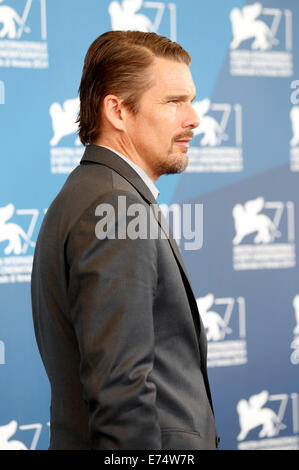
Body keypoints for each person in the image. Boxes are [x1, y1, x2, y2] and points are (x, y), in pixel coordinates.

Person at [31, 30, 219, 450]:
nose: (194, 118)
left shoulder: (92, 193)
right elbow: (121, 396)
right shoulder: (115, 206)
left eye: (191, 99)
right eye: (174, 102)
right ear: (117, 110)